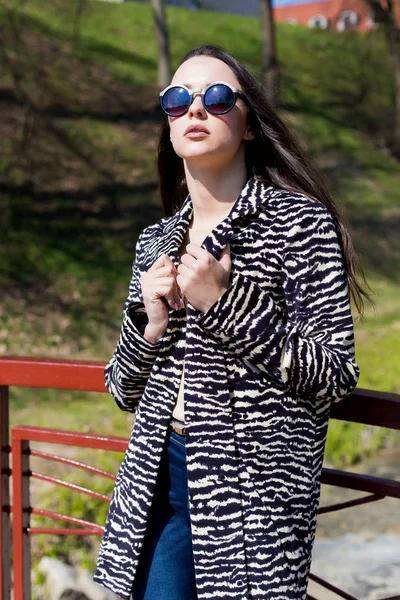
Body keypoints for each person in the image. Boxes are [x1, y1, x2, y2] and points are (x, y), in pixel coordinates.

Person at [93, 44, 369, 600]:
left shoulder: (300, 223)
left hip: (254, 496)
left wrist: (226, 304)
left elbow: (336, 373)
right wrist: (149, 325)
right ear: (168, 123)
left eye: (216, 98)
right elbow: (122, 390)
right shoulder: (157, 240)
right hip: (160, 476)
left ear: (248, 125)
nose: (194, 110)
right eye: (177, 100)